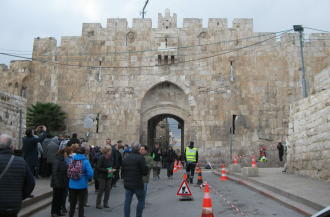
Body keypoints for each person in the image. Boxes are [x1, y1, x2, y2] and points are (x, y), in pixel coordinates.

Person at [0, 134, 35, 217]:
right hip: (14, 204)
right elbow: (31, 183)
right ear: (12, 147)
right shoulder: (21, 162)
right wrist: (21, 196)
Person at [122, 143, 148, 217]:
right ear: (138, 149)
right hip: (138, 184)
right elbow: (144, 172)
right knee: (141, 200)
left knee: (127, 201)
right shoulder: (140, 158)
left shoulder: (126, 158)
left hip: (128, 184)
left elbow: (123, 171)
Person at [68, 147, 93, 217]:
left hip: (72, 184)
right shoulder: (85, 161)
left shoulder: (72, 159)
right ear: (84, 152)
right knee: (81, 203)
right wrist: (87, 178)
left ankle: (71, 215)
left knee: (72, 203)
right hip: (82, 185)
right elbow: (91, 173)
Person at [50, 149, 68, 217]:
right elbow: (54, 172)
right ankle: (53, 212)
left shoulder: (63, 161)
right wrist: (57, 183)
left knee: (60, 198)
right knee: (56, 198)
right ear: (62, 153)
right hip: (57, 183)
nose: (66, 155)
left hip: (63, 182)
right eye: (65, 153)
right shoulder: (57, 161)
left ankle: (58, 212)